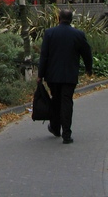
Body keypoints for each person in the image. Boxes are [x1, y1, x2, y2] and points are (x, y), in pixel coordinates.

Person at [37, 9, 93, 144]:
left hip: (53, 75)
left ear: (59, 18)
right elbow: (87, 53)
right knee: (67, 102)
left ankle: (56, 128)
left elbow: (44, 56)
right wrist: (88, 69)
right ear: (71, 19)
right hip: (69, 74)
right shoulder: (78, 34)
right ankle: (66, 134)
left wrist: (40, 74)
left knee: (56, 100)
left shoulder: (49, 33)